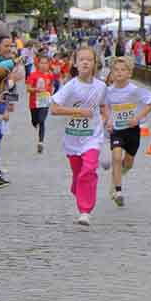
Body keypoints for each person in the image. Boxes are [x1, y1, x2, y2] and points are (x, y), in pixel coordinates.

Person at [50, 46, 109, 226]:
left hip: (93, 137)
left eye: (89, 60)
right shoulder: (70, 86)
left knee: (89, 170)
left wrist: (106, 118)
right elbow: (54, 109)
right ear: (75, 63)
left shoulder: (101, 86)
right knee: (79, 174)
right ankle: (78, 186)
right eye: (81, 59)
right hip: (73, 139)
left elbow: (104, 106)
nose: (85, 62)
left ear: (94, 64)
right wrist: (78, 111)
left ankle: (85, 211)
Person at [103, 56, 151, 208]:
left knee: (128, 163)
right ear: (112, 73)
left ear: (129, 73)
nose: (119, 73)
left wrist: (137, 118)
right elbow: (104, 107)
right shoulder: (108, 91)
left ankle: (114, 180)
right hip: (117, 130)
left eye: (123, 70)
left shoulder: (135, 90)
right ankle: (118, 191)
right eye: (116, 70)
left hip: (132, 130)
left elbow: (149, 105)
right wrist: (108, 120)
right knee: (116, 156)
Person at [26, 50, 54, 154]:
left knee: (42, 120)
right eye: (41, 63)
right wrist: (36, 90)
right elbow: (28, 88)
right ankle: (35, 123)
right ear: (38, 64)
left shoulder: (50, 76)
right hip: (33, 102)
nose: (43, 65)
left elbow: (51, 87)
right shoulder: (33, 75)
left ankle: (40, 142)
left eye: (46, 63)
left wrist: (51, 95)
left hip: (44, 101)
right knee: (34, 121)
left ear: (48, 64)